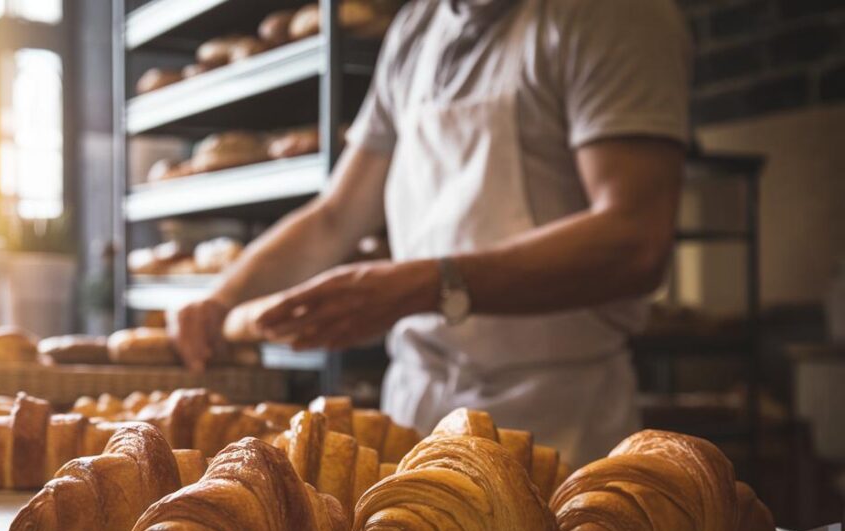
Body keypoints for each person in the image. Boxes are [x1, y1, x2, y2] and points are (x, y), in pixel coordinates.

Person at [170, 0, 691, 466]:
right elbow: (336, 216)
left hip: (554, 423)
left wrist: (427, 285)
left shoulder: (612, 14)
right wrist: (224, 298)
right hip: (417, 414)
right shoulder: (418, 29)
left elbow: (634, 239)